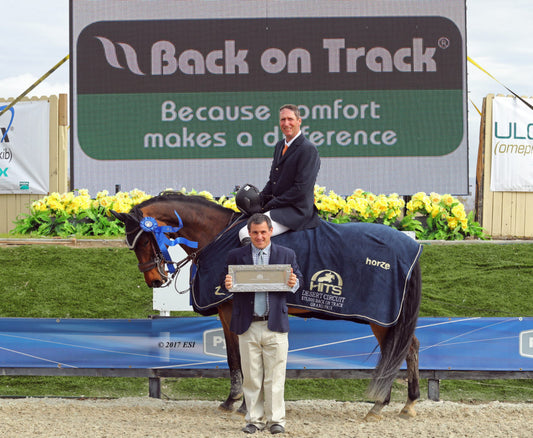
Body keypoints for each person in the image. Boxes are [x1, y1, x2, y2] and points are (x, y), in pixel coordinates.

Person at [225, 213, 303, 434]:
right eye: (255, 233)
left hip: (275, 324)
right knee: (251, 377)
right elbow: (226, 285)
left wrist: (294, 282)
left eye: (263, 232)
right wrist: (228, 283)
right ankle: (254, 420)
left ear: (270, 232)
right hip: (247, 326)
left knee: (276, 377)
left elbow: (299, 281)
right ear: (249, 234)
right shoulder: (235, 256)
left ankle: (276, 420)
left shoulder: (286, 254)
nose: (259, 236)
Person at [238, 104, 321, 243]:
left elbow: (301, 189)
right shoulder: (280, 146)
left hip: (296, 211)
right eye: (283, 120)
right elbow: (273, 181)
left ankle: (258, 265)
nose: (286, 123)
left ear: (299, 121)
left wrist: (271, 204)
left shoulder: (308, 149)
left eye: (290, 119)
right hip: (281, 207)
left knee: (246, 232)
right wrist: (260, 199)